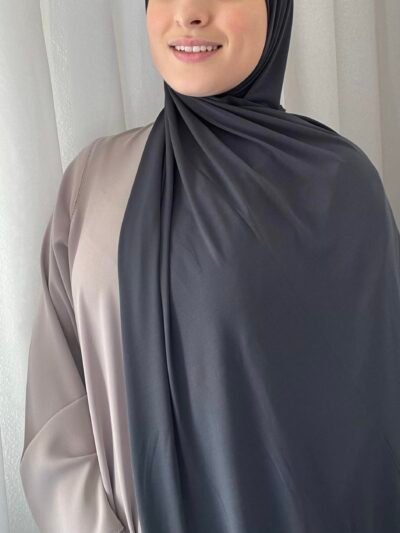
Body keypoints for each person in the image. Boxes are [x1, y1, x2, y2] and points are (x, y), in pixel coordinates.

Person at [20, 0, 400, 532]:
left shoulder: (342, 189)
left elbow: (373, 428)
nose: (189, 12)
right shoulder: (93, 183)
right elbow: (56, 419)